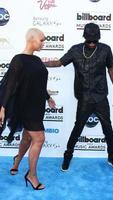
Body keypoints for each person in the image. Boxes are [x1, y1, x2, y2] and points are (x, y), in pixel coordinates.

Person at [45, 23, 113, 172]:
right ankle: (67, 156)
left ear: (99, 38)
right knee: (78, 127)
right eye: (89, 40)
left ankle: (112, 157)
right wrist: (40, 63)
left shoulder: (106, 49)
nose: (92, 43)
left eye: (95, 40)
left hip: (100, 97)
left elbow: (111, 70)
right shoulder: (75, 50)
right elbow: (59, 63)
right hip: (84, 97)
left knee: (108, 128)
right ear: (84, 38)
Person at [0, 28, 56, 190]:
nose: (43, 43)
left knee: (27, 137)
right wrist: (2, 107)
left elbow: (38, 84)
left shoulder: (37, 60)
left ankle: (17, 161)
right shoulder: (18, 60)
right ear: (31, 39)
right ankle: (31, 175)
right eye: (42, 40)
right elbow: (9, 85)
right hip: (25, 106)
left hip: (38, 106)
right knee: (39, 138)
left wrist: (48, 97)